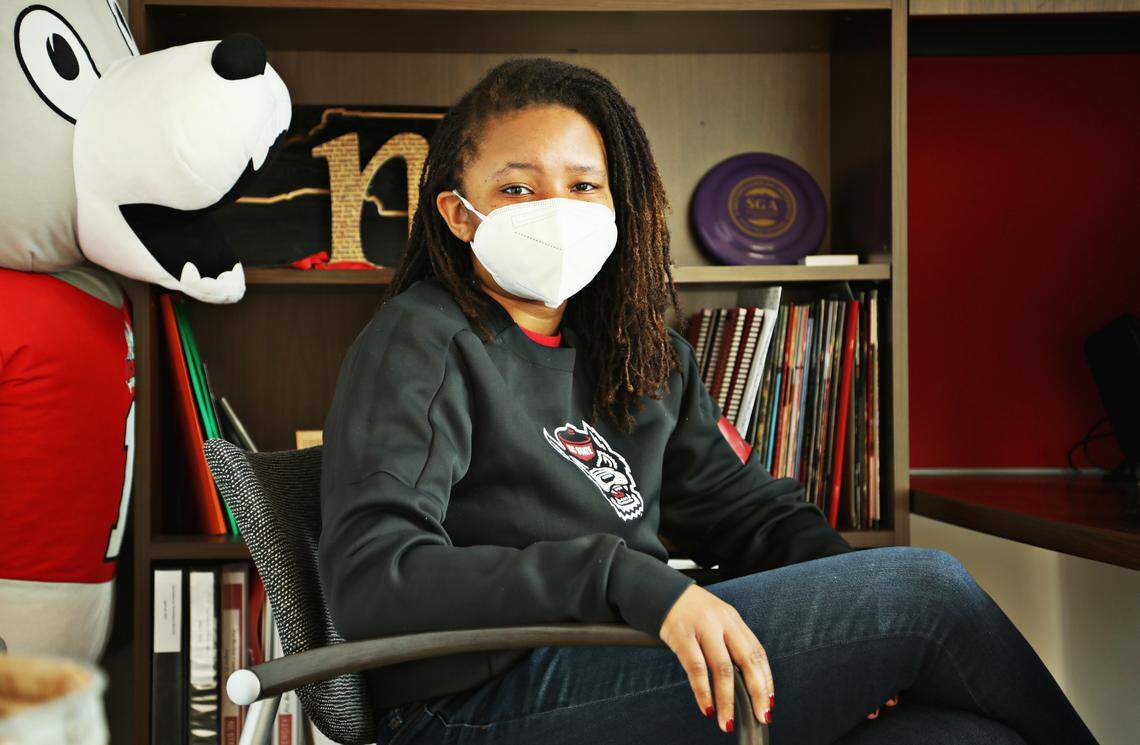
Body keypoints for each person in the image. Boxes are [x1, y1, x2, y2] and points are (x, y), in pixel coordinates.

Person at [317, 57, 1098, 745]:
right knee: (929, 591)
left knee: (967, 735)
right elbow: (372, 578)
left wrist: (861, 625)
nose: (556, 208)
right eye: (517, 187)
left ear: (617, 209)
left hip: (619, 667)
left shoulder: (638, 355)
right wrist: (620, 578)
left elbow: (752, 517)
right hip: (472, 704)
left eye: (584, 186)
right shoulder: (421, 341)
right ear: (460, 213)